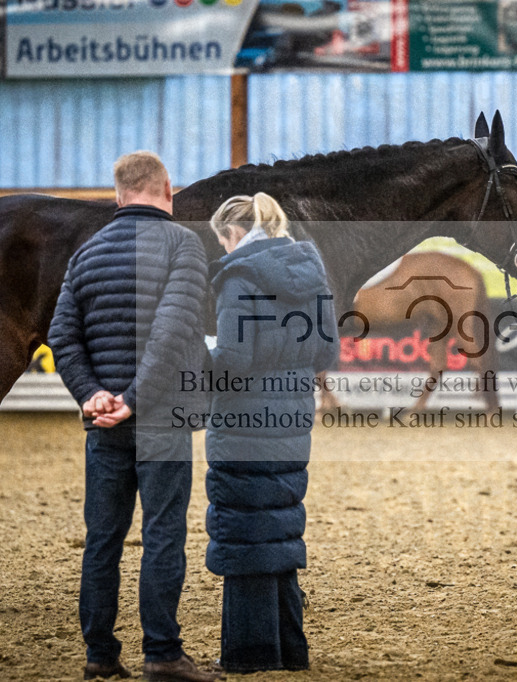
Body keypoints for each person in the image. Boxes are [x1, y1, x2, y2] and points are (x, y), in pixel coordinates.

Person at [48, 151, 218, 682]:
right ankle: (163, 655)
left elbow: (62, 336)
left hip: (105, 425)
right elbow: (171, 331)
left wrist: (92, 393)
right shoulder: (184, 244)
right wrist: (135, 399)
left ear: (119, 194)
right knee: (163, 534)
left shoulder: (86, 254)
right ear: (168, 188)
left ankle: (100, 655)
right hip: (160, 419)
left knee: (103, 538)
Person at [204, 192, 338, 673]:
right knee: (278, 529)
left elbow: (233, 362)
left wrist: (199, 357)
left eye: (222, 240)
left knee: (244, 534)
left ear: (234, 234)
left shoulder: (239, 278)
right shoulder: (312, 273)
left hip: (243, 425)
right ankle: (288, 649)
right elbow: (326, 354)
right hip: (293, 422)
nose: (222, 250)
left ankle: (249, 653)